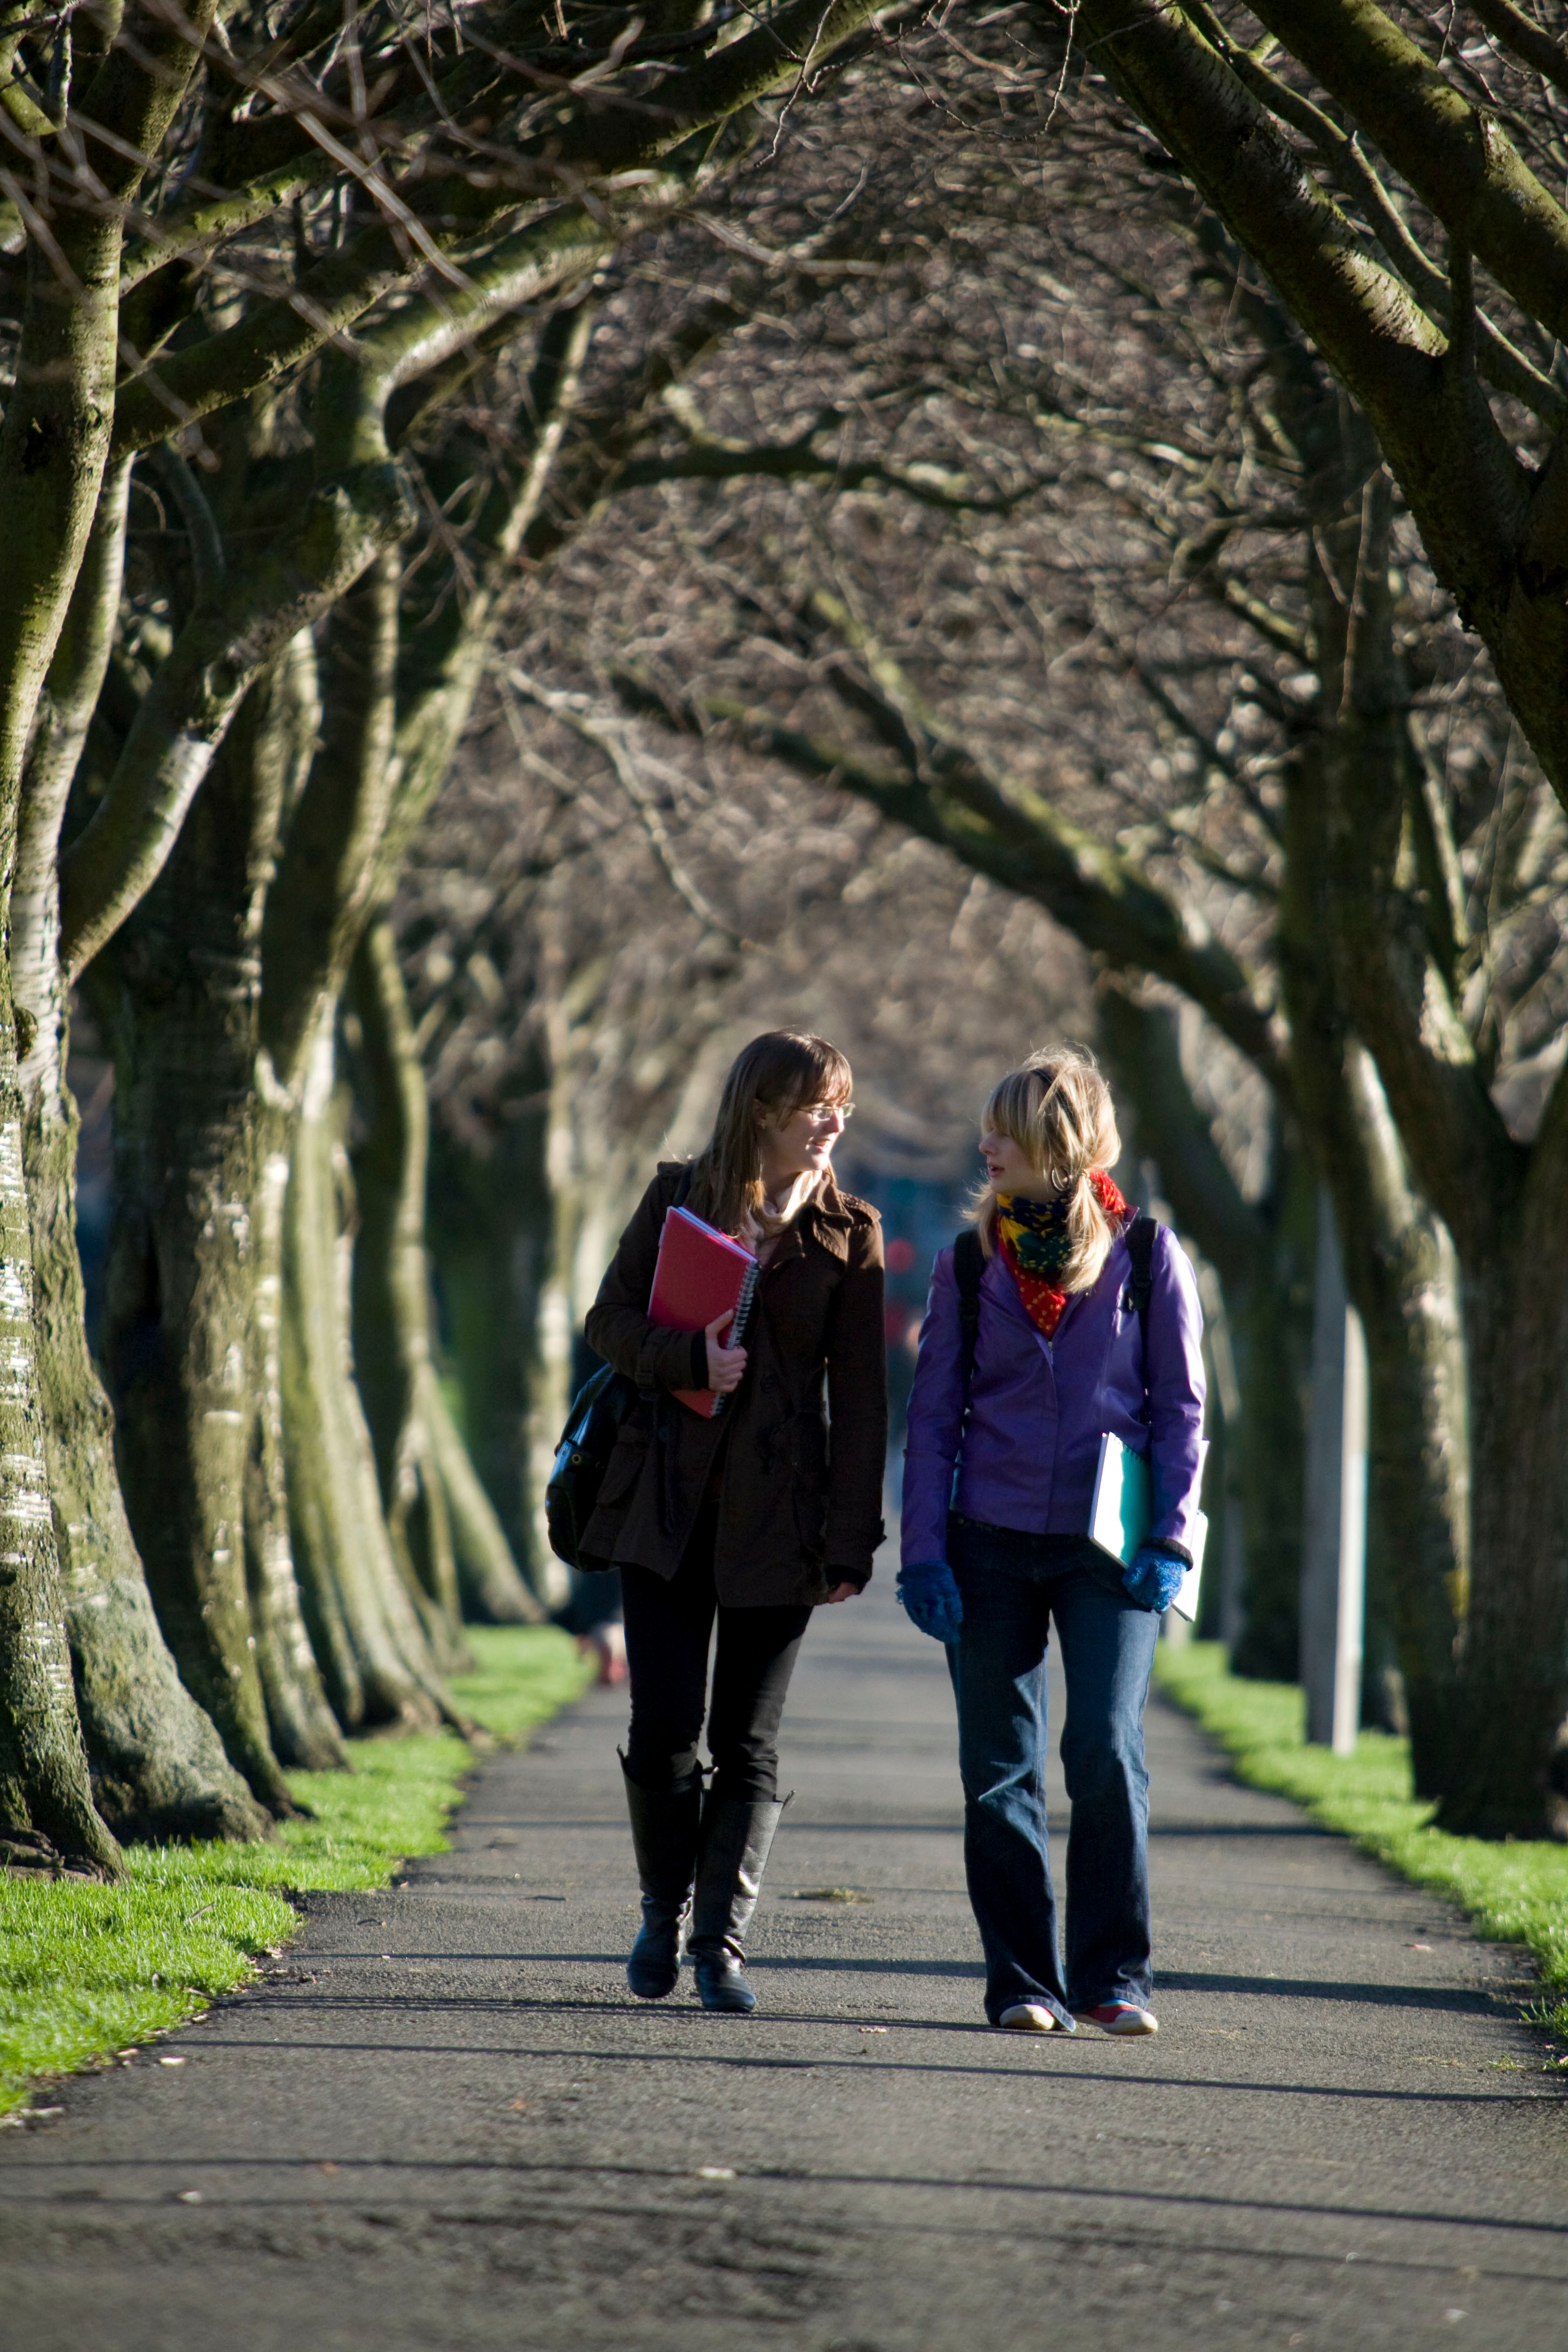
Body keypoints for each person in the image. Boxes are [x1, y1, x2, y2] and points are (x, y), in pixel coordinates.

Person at [898, 1047, 1205, 2037]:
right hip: (987, 1542)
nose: (986, 1143)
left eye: (1006, 1129)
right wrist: (923, 1555)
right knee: (998, 1768)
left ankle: (1116, 1978)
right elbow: (934, 1417)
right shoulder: (966, 1260)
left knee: (1106, 1747)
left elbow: (1182, 1411)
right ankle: (1024, 1983)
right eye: (990, 1128)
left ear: (1059, 1143)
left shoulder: (1148, 1254)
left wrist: (1173, 1541)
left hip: (1109, 1550)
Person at [580, 1030, 887, 2014]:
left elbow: (865, 1402)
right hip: (664, 1509)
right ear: (762, 1110)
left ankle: (723, 1947)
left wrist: (852, 1541)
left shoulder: (850, 1232)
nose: (835, 1121)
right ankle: (660, 1915)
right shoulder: (680, 1195)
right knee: (663, 1725)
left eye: (843, 1104)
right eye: (817, 1105)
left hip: (781, 1525)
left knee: (746, 1742)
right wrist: (686, 1363)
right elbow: (610, 1323)